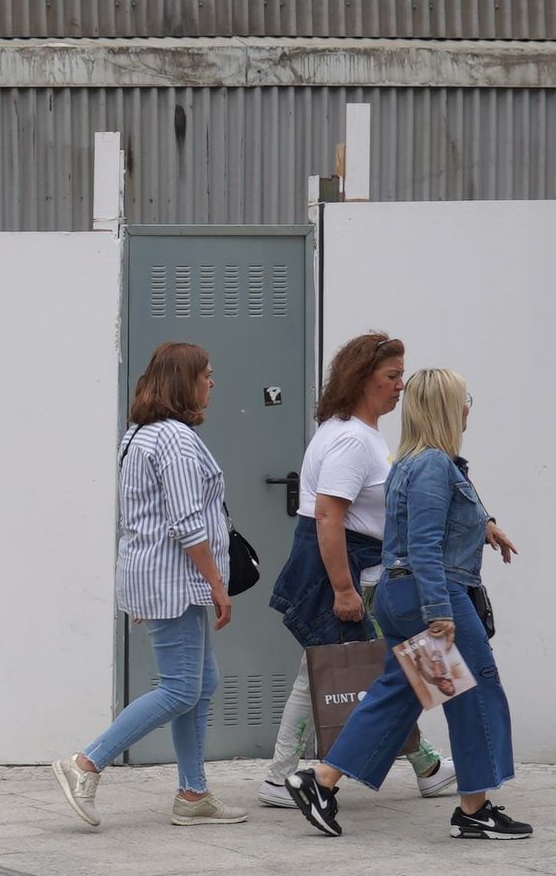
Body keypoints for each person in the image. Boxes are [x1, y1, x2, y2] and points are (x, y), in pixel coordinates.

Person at [291, 367, 530, 840]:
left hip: (403, 596)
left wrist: (486, 526)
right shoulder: (434, 466)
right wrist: (441, 614)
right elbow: (422, 544)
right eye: (465, 400)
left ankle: (321, 780)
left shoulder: (411, 463)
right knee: (477, 691)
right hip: (431, 595)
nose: (468, 409)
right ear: (446, 407)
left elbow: (430, 521)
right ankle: (474, 810)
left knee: (401, 694)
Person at [56, 342, 245, 827]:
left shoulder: (139, 435)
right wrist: (217, 585)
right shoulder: (175, 440)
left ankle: (193, 792)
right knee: (183, 688)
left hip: (160, 576)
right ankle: (87, 762)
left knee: (202, 683)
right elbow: (186, 523)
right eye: (206, 374)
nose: (212, 382)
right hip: (176, 580)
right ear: (185, 382)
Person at [264, 333, 451, 808]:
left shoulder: (351, 431)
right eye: (391, 377)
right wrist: (343, 590)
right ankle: (282, 776)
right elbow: (328, 517)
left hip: (359, 568)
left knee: (356, 668)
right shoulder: (351, 439)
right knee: (368, 667)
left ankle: (424, 764)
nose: (400, 386)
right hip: (347, 571)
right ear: (362, 379)